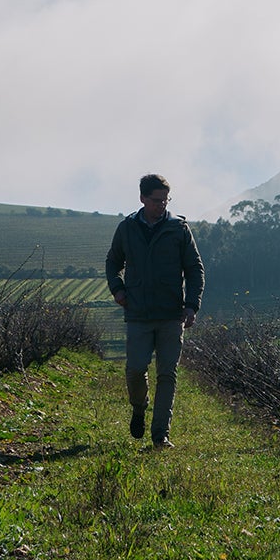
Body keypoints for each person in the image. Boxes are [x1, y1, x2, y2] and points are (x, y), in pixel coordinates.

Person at [104, 173, 204, 447]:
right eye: (157, 200)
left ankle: (160, 435)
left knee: (167, 375)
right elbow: (113, 263)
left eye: (166, 200)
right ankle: (139, 407)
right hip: (138, 313)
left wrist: (191, 305)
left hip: (171, 315)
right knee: (135, 370)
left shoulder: (179, 229)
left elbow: (195, 269)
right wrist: (117, 289)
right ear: (142, 199)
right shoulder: (127, 228)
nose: (162, 205)